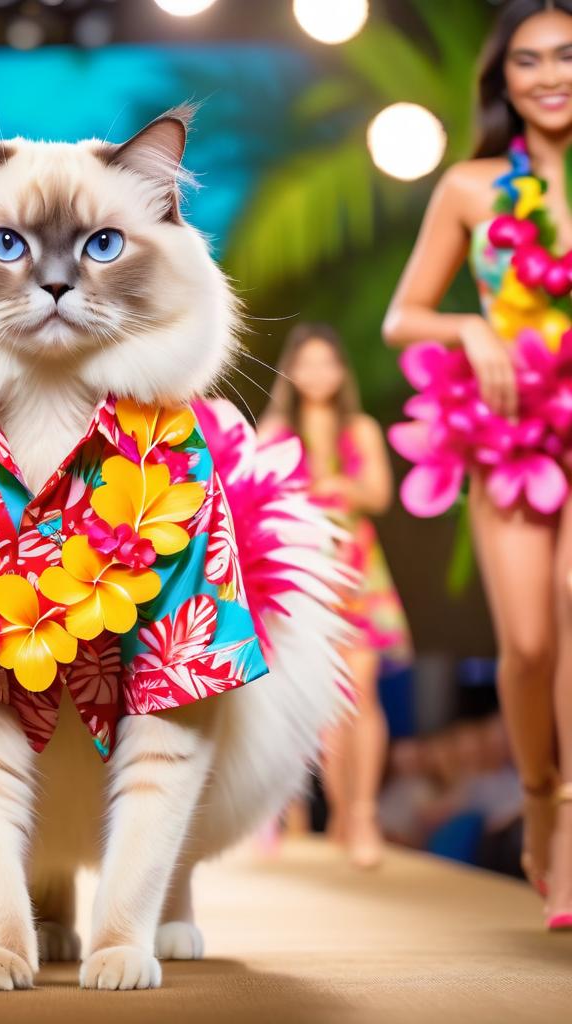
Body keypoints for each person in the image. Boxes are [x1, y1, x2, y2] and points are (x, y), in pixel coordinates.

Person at [384, 0, 572, 929]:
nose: (550, 75)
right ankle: (539, 796)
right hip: (513, 425)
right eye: (528, 61)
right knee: (531, 644)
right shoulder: (471, 186)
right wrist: (468, 324)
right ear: (504, 79)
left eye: (567, 56)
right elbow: (400, 318)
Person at [259, 323, 411, 868]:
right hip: (305, 577)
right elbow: (258, 497)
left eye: (328, 363)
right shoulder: (276, 430)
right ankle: (341, 811)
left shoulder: (361, 427)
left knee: (362, 695)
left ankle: (363, 813)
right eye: (309, 364)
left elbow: (380, 495)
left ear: (341, 371)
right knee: (327, 705)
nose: (319, 374)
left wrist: (340, 488)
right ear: (293, 372)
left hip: (358, 573)